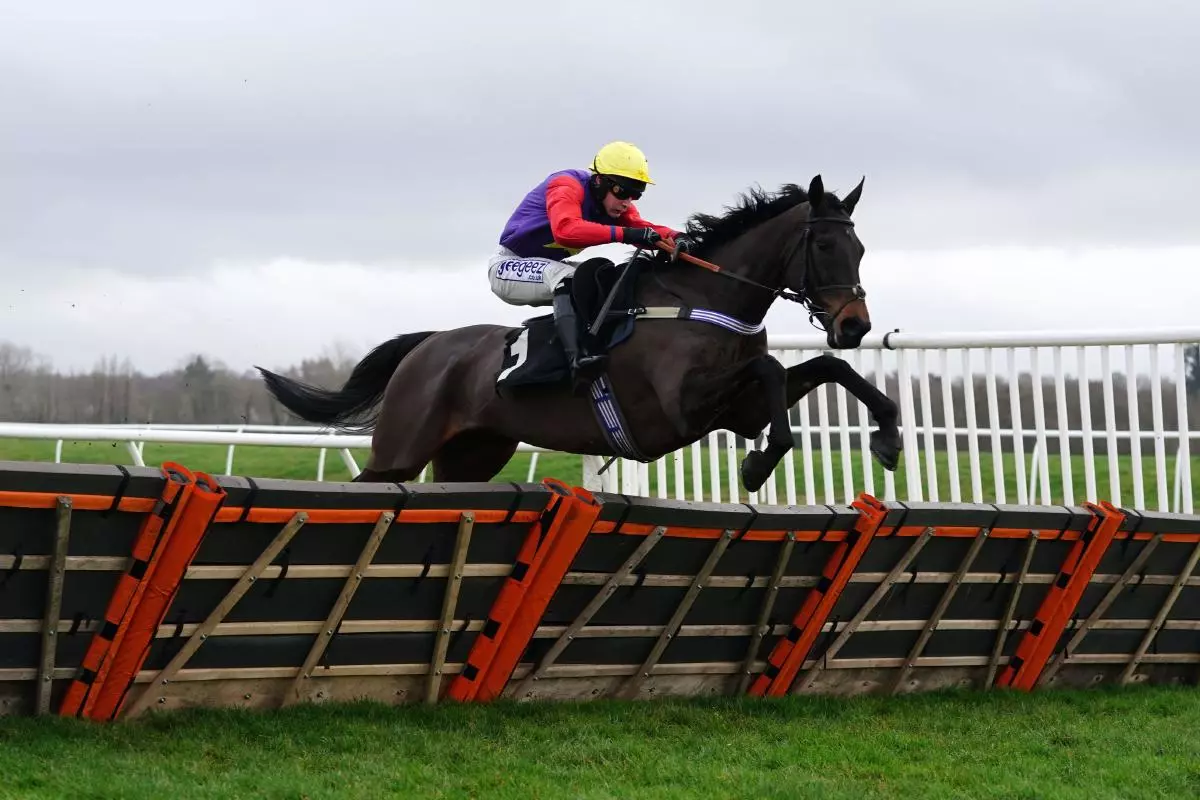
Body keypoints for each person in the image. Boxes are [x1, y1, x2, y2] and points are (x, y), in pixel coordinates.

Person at [488, 141, 693, 382]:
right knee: (566, 279)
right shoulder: (566, 185)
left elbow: (642, 229)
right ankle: (577, 360)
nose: (627, 202)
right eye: (622, 192)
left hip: (545, 267)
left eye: (635, 194)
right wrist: (626, 235)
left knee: (601, 280)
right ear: (600, 181)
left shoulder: (615, 205)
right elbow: (565, 230)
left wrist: (679, 237)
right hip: (508, 266)